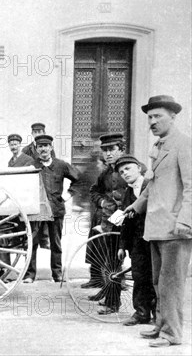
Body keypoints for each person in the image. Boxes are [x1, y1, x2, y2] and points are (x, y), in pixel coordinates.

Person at [124, 95, 191, 348]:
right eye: (149, 117)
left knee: (171, 284)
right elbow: (152, 185)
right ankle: (161, 326)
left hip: (176, 228)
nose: (152, 121)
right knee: (158, 282)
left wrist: (186, 220)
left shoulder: (184, 145)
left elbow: (191, 187)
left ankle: (172, 333)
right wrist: (136, 205)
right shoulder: (159, 147)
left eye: (157, 116)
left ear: (173, 117)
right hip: (156, 227)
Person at [23, 134, 80, 283]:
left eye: (46, 146)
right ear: (36, 149)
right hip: (37, 210)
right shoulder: (31, 166)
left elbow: (79, 180)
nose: (43, 149)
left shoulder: (61, 165)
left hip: (56, 209)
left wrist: (67, 196)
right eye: (40, 146)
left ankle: (57, 274)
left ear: (51, 147)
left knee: (56, 243)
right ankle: (29, 275)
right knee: (32, 242)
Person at [84, 133, 128, 313]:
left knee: (138, 265)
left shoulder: (131, 167)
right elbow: (94, 191)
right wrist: (102, 202)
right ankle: (112, 300)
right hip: (113, 221)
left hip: (131, 220)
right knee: (110, 260)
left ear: (121, 150)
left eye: (112, 149)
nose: (108, 154)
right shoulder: (106, 173)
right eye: (105, 150)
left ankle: (144, 309)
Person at [114, 154, 156, 326]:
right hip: (137, 243)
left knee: (156, 278)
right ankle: (141, 313)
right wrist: (122, 246)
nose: (125, 173)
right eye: (121, 171)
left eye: (128, 168)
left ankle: (157, 314)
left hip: (154, 239)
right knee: (139, 277)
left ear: (139, 168)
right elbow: (127, 222)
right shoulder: (127, 193)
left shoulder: (151, 185)